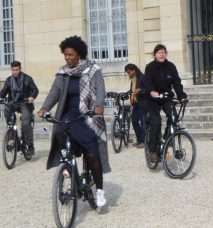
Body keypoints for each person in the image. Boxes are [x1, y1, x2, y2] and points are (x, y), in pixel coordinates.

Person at [37, 36, 111, 207]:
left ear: (79, 54)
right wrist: (45, 108)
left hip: (88, 114)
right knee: (58, 131)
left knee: (92, 151)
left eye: (70, 55)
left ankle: (99, 190)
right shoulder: (63, 73)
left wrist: (99, 105)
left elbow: (101, 90)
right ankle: (67, 163)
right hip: (68, 113)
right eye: (65, 55)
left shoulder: (93, 70)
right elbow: (54, 92)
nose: (67, 58)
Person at [144, 44, 187, 163]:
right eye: (159, 52)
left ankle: (167, 137)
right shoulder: (150, 67)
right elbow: (147, 82)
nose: (161, 54)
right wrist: (151, 91)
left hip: (166, 97)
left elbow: (177, 83)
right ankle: (152, 150)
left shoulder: (171, 66)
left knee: (174, 116)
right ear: (155, 55)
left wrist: (182, 96)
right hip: (153, 99)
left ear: (166, 54)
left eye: (163, 52)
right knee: (156, 121)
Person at [0, 61, 39, 155]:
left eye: (17, 70)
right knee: (7, 111)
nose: (15, 72)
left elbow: (35, 90)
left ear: (20, 69)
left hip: (25, 103)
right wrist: (1, 97)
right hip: (13, 103)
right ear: (11, 70)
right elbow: (3, 91)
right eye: (13, 70)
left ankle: (30, 146)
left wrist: (31, 97)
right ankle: (14, 139)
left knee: (25, 122)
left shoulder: (27, 78)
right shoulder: (9, 80)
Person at [125, 63, 146, 149]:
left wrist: (140, 90)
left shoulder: (142, 77)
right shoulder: (133, 80)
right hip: (136, 103)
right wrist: (126, 94)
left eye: (129, 72)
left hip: (143, 103)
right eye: (127, 72)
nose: (129, 74)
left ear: (134, 70)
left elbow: (148, 89)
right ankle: (139, 140)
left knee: (142, 122)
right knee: (134, 121)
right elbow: (132, 91)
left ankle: (143, 141)